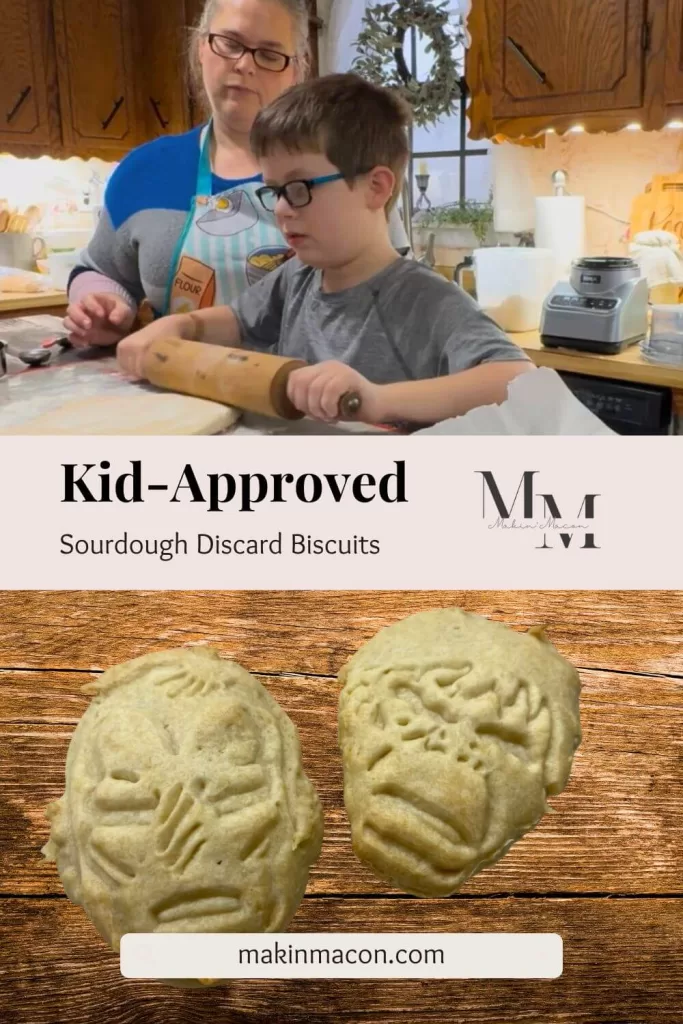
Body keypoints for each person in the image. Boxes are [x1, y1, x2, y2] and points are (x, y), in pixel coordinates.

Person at [117, 73, 533, 427]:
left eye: (298, 189)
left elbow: (517, 379)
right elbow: (233, 321)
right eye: (275, 191)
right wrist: (175, 328)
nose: (281, 209)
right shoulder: (297, 276)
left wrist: (374, 399)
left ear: (376, 187)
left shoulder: (424, 300)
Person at [63, 0, 411, 349]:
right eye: (229, 43)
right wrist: (101, 304)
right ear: (201, 47)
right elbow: (100, 269)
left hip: (314, 396)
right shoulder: (145, 170)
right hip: (186, 397)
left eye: (270, 54)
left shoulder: (346, 170)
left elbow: (393, 294)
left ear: (297, 70)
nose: (244, 64)